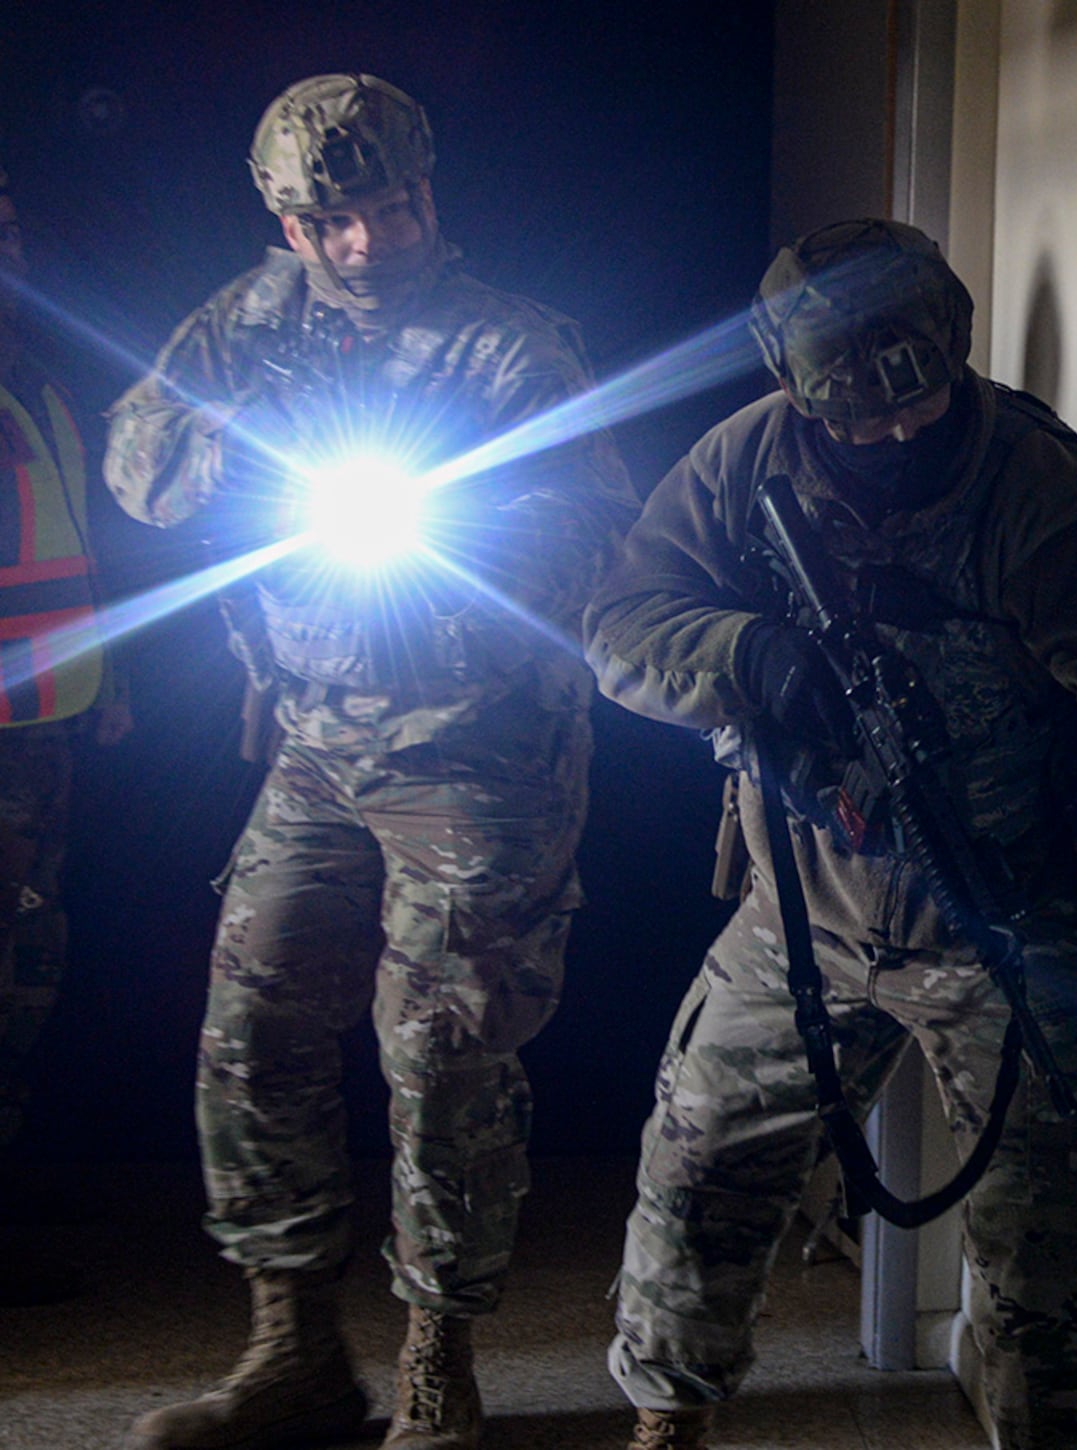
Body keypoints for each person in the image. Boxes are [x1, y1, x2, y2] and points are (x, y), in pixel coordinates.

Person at [583, 218, 1077, 1450]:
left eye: (918, 402)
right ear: (794, 388)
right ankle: (664, 1425)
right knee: (698, 1175)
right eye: (854, 418)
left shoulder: (1038, 489)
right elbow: (620, 624)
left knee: (1046, 1268)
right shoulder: (742, 463)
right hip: (802, 910)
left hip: (1001, 924)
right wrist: (746, 651)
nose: (892, 433)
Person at [104, 75, 635, 1450]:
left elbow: (596, 539)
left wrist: (464, 523)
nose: (361, 242)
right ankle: (294, 1351)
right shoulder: (243, 326)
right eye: (327, 220)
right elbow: (138, 468)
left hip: (478, 753)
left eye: (385, 210)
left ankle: (437, 1365)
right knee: (251, 1025)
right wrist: (218, 448)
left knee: (442, 1053)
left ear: (426, 196)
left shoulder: (509, 344)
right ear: (284, 221)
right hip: (315, 742)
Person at [0, 161, 133, 1307]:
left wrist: (110, 673)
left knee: (29, 969)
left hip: (52, 722)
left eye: (9, 235)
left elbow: (73, 545)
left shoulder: (36, 382)